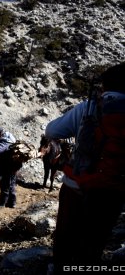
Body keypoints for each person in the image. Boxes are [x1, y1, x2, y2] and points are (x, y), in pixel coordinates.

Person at [45, 62, 125, 272]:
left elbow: (52, 130)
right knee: (94, 241)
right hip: (112, 189)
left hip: (75, 185)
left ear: (104, 85)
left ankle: (61, 266)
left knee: (65, 235)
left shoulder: (89, 106)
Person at [0, 126, 22, 208]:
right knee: (11, 185)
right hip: (12, 168)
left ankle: (2, 203)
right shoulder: (10, 139)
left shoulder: (4, 142)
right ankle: (12, 203)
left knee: (5, 185)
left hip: (7, 168)